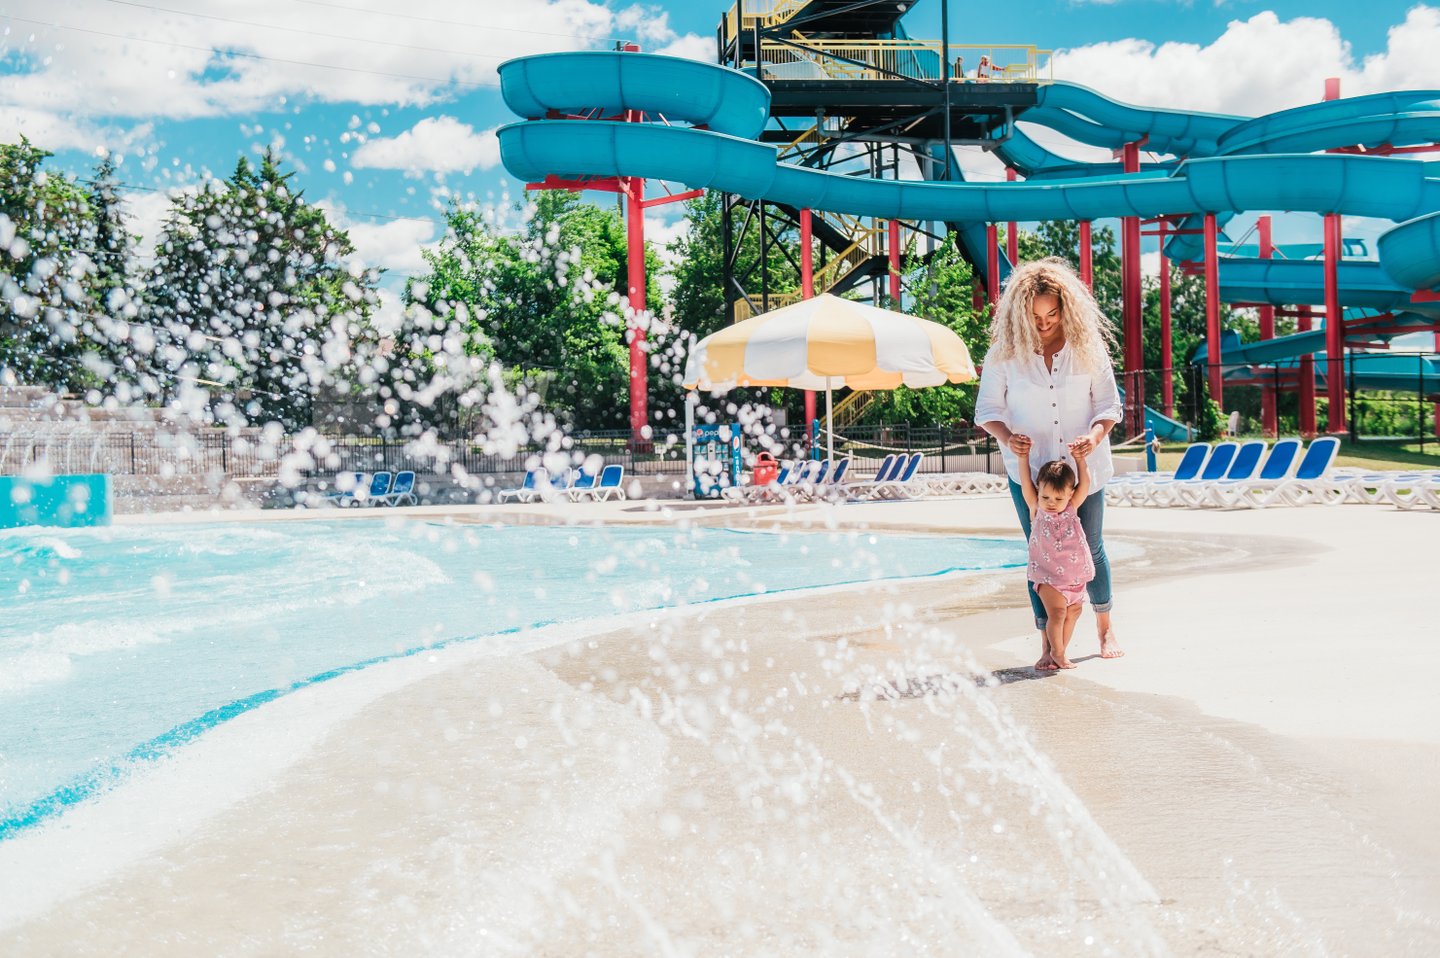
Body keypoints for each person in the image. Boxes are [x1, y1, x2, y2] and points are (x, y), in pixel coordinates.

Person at [974, 257, 1125, 669]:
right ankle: (1047, 641)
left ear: (1067, 308)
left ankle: (1104, 625)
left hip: (1083, 471)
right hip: (1031, 473)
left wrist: (1093, 438)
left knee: (1091, 548)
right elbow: (987, 409)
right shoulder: (1004, 353)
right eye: (1034, 315)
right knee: (1038, 557)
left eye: (1052, 314)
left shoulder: (1087, 348)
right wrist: (1009, 439)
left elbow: (1110, 405)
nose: (1043, 323)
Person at [1015, 446, 1094, 670]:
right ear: (1038, 491)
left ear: (1070, 494)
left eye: (1058, 498)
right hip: (1048, 576)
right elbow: (1025, 482)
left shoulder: (1071, 507)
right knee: (1057, 613)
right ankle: (1056, 653)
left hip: (1075, 576)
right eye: (1045, 496)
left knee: (1074, 613)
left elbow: (1085, 484)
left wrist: (1080, 460)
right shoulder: (1036, 509)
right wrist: (1024, 458)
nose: (1051, 502)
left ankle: (1058, 652)